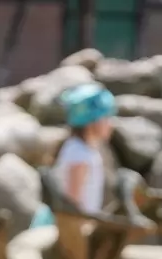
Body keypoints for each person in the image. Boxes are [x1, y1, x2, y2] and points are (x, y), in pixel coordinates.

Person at [30, 82, 116, 229]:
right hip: (67, 233)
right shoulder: (79, 154)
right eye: (106, 117)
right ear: (91, 122)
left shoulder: (81, 149)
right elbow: (72, 206)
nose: (111, 123)